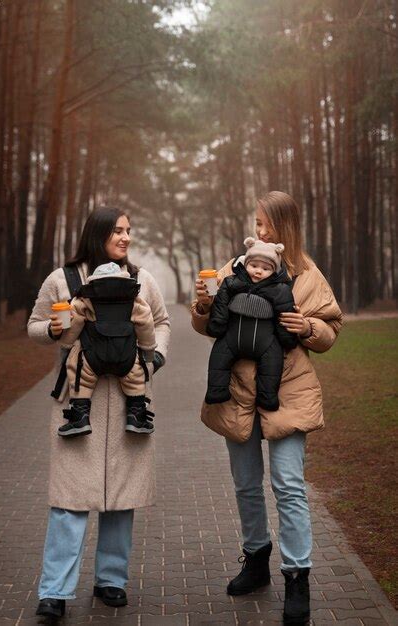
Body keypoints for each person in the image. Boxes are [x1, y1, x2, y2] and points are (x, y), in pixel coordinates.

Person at [191, 191, 343, 625]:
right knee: (245, 483)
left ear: (286, 227)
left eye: (266, 225)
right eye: (256, 224)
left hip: (289, 390)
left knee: (289, 485)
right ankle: (255, 560)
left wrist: (309, 326)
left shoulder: (309, 275)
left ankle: (297, 576)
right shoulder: (236, 267)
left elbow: (331, 328)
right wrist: (203, 303)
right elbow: (205, 323)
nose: (259, 232)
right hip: (238, 391)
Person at [28, 207, 170, 620]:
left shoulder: (142, 279)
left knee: (121, 497)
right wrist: (53, 330)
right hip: (77, 401)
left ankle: (111, 579)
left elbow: (160, 322)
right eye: (117, 231)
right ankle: (55, 590)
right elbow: (35, 325)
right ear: (97, 234)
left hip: (131, 400)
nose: (125, 237)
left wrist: (155, 358)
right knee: (68, 500)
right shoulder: (62, 279)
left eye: (129, 230)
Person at [58, 261, 157, 438]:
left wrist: (66, 344)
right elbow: (146, 323)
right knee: (135, 377)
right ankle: (136, 416)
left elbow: (75, 322)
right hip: (126, 356)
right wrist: (148, 351)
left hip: (91, 355)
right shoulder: (134, 300)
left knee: (79, 371)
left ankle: (80, 416)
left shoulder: (85, 299)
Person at [205, 237, 297, 410]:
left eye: (266, 268)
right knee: (219, 356)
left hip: (266, 342)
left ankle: (267, 397)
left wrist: (288, 338)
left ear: (274, 271)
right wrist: (217, 323)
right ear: (246, 263)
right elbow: (221, 303)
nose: (258, 271)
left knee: (272, 364)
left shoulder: (280, 290)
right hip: (231, 338)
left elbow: (285, 314)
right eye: (254, 266)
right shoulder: (232, 282)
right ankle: (217, 390)